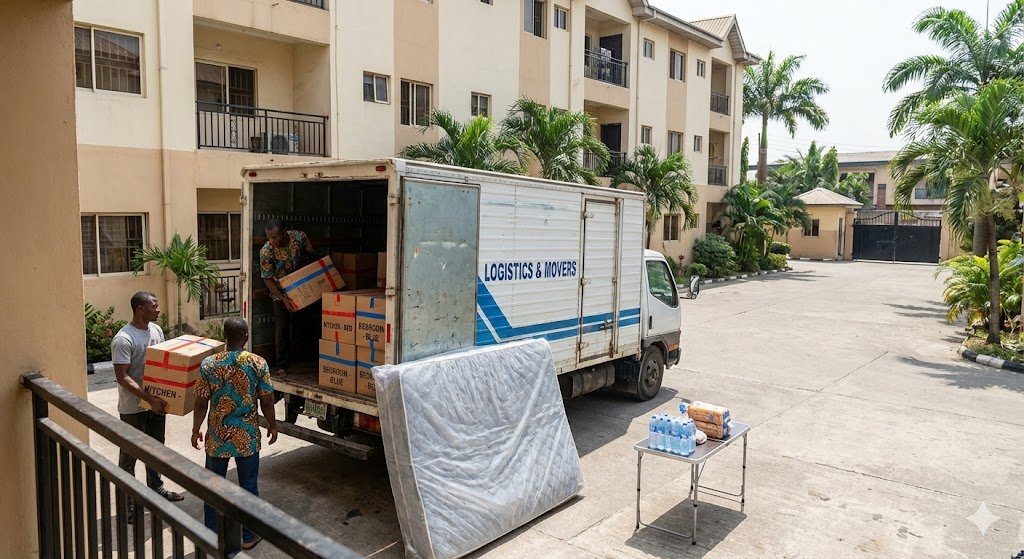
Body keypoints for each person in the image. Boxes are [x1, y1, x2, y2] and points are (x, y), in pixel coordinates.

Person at [192, 317, 278, 552]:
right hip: (246, 436)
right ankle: (249, 535)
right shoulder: (257, 363)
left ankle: (212, 535)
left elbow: (201, 402)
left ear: (225, 337)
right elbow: (267, 399)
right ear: (245, 337)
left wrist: (195, 429)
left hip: (217, 436)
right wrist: (272, 424)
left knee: (213, 486)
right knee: (248, 486)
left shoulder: (209, 364)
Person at [111, 291, 185, 511]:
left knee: (155, 449)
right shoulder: (123, 339)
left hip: (156, 403)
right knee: (130, 456)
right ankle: (128, 505)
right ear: (140, 309)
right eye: (154, 306)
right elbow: (122, 376)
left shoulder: (156, 330)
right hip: (133, 408)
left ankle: (156, 489)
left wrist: (164, 396)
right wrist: (149, 399)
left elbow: (163, 364)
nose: (158, 309)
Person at [259, 219, 317, 375]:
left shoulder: (299, 237)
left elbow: (311, 256)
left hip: (301, 287)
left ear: (284, 232)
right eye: (269, 238)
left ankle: (310, 360)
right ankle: (282, 365)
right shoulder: (266, 251)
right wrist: (283, 299)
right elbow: (267, 278)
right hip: (280, 292)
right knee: (282, 328)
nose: (273, 241)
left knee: (306, 322)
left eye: (276, 237)